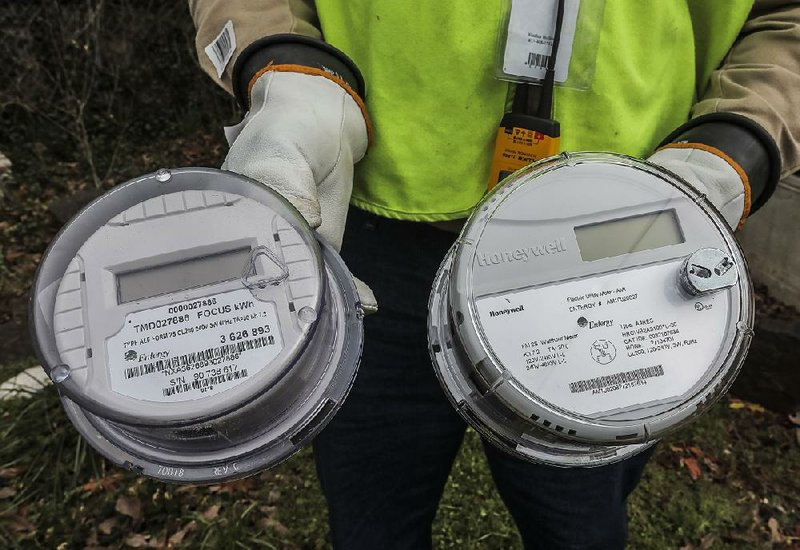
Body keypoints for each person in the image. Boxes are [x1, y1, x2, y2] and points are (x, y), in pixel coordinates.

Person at [188, 1, 800, 548]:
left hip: (618, 252)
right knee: (372, 517)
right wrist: (291, 72)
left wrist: (733, 144)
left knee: (578, 529)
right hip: (371, 231)